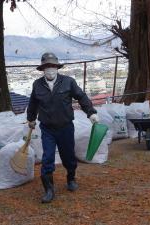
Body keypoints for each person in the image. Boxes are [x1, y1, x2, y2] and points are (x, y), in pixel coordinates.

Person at [27, 52, 99, 203]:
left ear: (57, 67)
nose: (50, 69)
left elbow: (82, 97)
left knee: (68, 156)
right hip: (47, 128)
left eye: (53, 66)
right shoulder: (37, 85)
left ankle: (71, 178)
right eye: (47, 66)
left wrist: (91, 113)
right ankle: (49, 189)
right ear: (42, 69)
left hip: (65, 127)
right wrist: (31, 119)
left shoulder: (68, 82)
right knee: (47, 157)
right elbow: (33, 103)